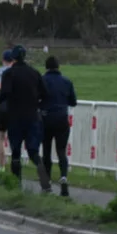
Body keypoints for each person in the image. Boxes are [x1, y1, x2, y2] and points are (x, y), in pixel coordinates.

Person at [0, 45, 51, 190]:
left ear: (12, 57)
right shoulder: (34, 73)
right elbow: (45, 94)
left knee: (16, 152)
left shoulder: (9, 74)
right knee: (32, 149)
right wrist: (37, 103)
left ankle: (17, 183)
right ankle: (39, 165)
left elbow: (4, 93)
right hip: (32, 115)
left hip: (15, 116)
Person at [40, 56, 77, 197]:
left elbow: (38, 98)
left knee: (46, 151)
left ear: (46, 67)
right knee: (61, 150)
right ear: (58, 67)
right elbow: (73, 102)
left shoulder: (42, 81)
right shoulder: (67, 81)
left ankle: (47, 183)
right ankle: (63, 177)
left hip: (46, 118)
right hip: (62, 118)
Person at [0, 50, 14, 170]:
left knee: (0, 137)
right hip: (13, 107)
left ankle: (2, 166)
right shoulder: (16, 72)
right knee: (14, 137)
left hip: (0, 106)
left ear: (3, 60)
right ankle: (15, 163)